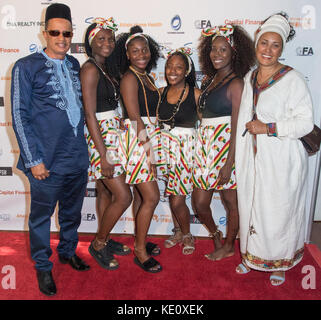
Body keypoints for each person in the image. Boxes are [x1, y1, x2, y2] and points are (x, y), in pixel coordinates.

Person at [10, 3, 90, 296]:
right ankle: (43, 266)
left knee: (72, 213)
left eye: (67, 33)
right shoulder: (25, 66)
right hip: (45, 161)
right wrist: (33, 160)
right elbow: (19, 114)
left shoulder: (73, 65)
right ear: (45, 33)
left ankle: (68, 252)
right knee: (41, 218)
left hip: (76, 158)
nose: (62, 38)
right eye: (55, 32)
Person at [235, 13, 314, 286]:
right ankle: (250, 256)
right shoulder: (249, 77)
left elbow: (304, 123)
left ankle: (281, 262)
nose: (268, 50)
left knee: (279, 211)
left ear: (282, 48)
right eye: (264, 43)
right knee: (253, 207)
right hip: (253, 159)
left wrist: (268, 128)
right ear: (256, 44)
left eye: (275, 45)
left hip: (283, 160)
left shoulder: (293, 80)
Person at [192, 25, 255, 261]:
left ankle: (229, 245)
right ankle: (216, 234)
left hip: (226, 150)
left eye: (223, 49)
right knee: (199, 203)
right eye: (213, 49)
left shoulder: (236, 84)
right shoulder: (210, 80)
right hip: (205, 149)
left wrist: (229, 163)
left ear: (234, 52)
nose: (217, 54)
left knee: (231, 202)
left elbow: (238, 126)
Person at [80, 18, 132, 270]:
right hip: (100, 137)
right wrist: (102, 155)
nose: (107, 43)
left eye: (110, 39)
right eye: (101, 38)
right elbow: (90, 114)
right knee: (124, 196)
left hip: (111, 133)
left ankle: (106, 237)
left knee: (105, 191)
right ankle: (98, 243)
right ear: (91, 43)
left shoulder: (104, 68)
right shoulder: (90, 69)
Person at [114, 26, 163, 273]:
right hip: (137, 141)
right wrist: (148, 149)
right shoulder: (130, 77)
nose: (141, 54)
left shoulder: (147, 77)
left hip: (145, 138)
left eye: (144, 49)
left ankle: (139, 241)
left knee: (143, 196)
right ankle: (140, 252)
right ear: (128, 55)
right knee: (152, 197)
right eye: (135, 51)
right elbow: (134, 116)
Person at [158, 48, 201, 254]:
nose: (172, 71)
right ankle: (177, 231)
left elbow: (208, 124)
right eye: (169, 66)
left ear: (187, 71)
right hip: (165, 148)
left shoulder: (195, 93)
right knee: (171, 191)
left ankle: (187, 234)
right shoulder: (161, 92)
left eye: (178, 67)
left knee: (177, 198)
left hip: (186, 150)